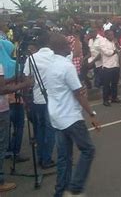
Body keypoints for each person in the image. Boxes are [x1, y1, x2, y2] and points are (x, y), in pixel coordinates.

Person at [45, 33, 100, 197]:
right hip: (71, 117)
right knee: (88, 150)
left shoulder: (51, 64)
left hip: (56, 116)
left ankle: (60, 191)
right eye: (67, 44)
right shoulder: (66, 66)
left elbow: (70, 88)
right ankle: (75, 189)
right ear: (63, 47)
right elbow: (79, 94)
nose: (70, 46)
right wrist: (92, 114)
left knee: (64, 157)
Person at [23, 31, 57, 169]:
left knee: (39, 129)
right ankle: (46, 159)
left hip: (37, 99)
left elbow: (27, 79)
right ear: (49, 43)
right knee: (50, 130)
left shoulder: (31, 58)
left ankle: (40, 156)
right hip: (52, 99)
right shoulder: (55, 56)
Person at [0, 62, 32, 193]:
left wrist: (13, 79)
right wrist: (23, 84)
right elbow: (1, 89)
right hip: (1, 111)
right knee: (1, 144)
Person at [99, 30, 120, 106]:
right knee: (106, 85)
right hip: (107, 67)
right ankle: (105, 100)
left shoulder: (113, 42)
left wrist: (117, 45)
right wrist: (116, 51)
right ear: (106, 35)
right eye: (110, 35)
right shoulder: (102, 42)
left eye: (113, 34)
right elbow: (107, 53)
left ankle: (114, 98)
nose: (112, 36)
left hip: (116, 65)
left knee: (115, 84)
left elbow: (119, 50)